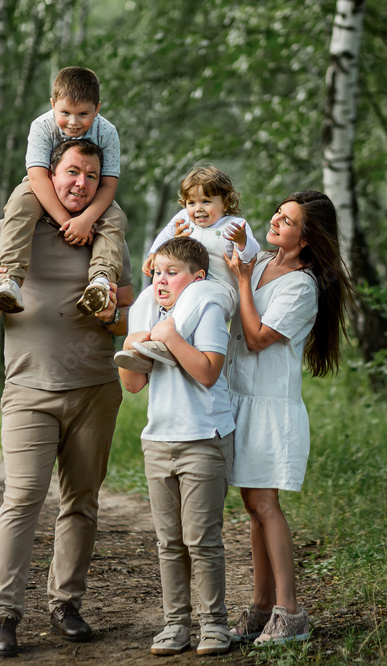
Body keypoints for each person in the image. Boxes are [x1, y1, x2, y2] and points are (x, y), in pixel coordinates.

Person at [0, 139, 134, 657]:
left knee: (81, 502)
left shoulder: (106, 237)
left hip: (94, 391)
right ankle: (3, 614)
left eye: (90, 175)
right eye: (71, 172)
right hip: (28, 392)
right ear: (50, 174)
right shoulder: (8, 231)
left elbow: (132, 315)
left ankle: (65, 605)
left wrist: (111, 316)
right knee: (21, 500)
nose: (79, 183)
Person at [223, 191, 352, 646]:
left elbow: (257, 338)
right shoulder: (259, 263)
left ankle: (290, 612)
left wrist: (241, 280)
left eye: (288, 220)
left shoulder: (301, 286)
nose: (275, 222)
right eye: (277, 214)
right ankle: (261, 607)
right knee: (252, 510)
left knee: (265, 507)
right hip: (240, 399)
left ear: (307, 237)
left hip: (270, 408)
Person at [117, 236, 236, 657]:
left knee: (202, 539)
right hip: (158, 440)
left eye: (173, 272)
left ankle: (215, 625)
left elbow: (206, 371)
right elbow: (133, 385)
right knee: (169, 542)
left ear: (197, 277)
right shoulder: (148, 308)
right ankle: (175, 624)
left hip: (203, 438)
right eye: (158, 272)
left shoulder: (205, 307)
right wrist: (133, 346)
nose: (161, 280)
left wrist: (169, 335)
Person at [0, 66, 126, 317]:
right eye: (65, 113)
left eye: (83, 114)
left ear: (97, 108)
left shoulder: (107, 132)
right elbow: (38, 178)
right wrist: (67, 222)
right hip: (45, 190)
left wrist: (86, 219)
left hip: (89, 194)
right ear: (53, 105)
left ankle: (100, 281)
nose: (73, 122)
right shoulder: (42, 126)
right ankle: (9, 277)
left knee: (116, 217)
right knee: (20, 201)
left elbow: (108, 185)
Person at [115, 166, 259, 372]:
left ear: (225, 203)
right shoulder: (184, 219)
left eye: (206, 201)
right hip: (185, 286)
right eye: (192, 202)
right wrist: (153, 254)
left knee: (195, 290)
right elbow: (166, 234)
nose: (198, 208)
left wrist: (242, 241)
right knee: (148, 295)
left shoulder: (234, 225)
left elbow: (251, 256)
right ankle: (138, 346)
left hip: (221, 290)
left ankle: (170, 340)